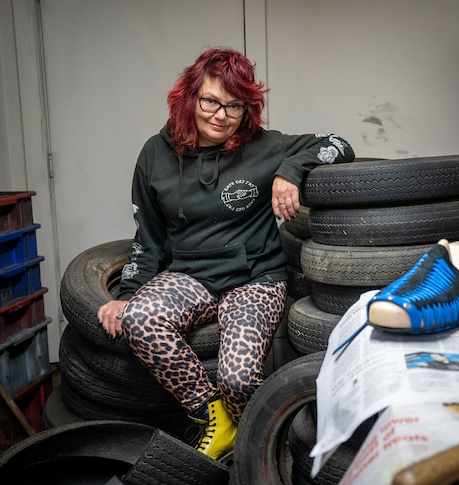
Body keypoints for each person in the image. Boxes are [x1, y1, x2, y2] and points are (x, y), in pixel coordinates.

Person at [96, 47, 354, 460]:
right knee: (139, 318)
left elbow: (338, 144)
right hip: (189, 275)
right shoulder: (155, 154)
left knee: (238, 380)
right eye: (211, 101)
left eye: (235, 106)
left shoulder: (266, 147)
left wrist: (291, 171)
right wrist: (126, 296)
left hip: (256, 279)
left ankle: (256, 441)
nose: (221, 115)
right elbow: (148, 237)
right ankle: (216, 420)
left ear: (247, 110)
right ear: (189, 97)